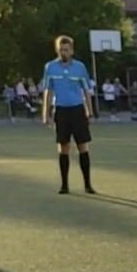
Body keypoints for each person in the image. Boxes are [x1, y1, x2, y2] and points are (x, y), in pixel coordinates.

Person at [40, 35, 96, 194]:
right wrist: (45, 114)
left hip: (77, 110)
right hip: (61, 111)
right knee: (63, 147)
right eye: (60, 50)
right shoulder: (50, 67)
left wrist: (90, 111)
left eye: (66, 50)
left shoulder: (80, 67)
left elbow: (86, 90)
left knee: (82, 146)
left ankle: (88, 185)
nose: (63, 53)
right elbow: (48, 92)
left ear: (71, 51)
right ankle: (64, 185)